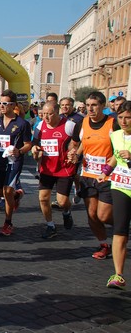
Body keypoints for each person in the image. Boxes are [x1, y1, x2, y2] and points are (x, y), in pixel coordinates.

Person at [68, 91, 118, 259]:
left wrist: (116, 155)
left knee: (103, 215)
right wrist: (74, 153)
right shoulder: (82, 123)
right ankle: (104, 245)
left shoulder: (113, 123)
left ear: (103, 106)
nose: (90, 109)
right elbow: (77, 143)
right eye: (88, 105)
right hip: (88, 175)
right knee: (92, 215)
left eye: (94, 105)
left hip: (108, 176)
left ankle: (123, 225)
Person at [0, 89, 32, 236]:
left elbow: (28, 144)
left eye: (5, 103)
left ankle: (8, 223)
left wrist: (20, 151)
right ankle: (16, 196)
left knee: (6, 192)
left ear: (13, 105)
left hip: (14, 161)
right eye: (0, 103)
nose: (1, 106)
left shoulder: (22, 123)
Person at [97, 100, 131, 288]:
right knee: (120, 230)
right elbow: (115, 157)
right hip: (121, 186)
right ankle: (118, 275)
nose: (124, 121)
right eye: (121, 117)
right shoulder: (116, 135)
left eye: (128, 118)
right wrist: (105, 171)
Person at [31, 102, 76, 239]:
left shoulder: (68, 125)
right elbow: (35, 142)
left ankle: (67, 212)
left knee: (62, 202)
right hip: (47, 168)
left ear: (57, 112)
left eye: (50, 114)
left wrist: (74, 149)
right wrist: (34, 149)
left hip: (64, 168)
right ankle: (50, 226)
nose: (46, 117)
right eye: (44, 114)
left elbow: (79, 141)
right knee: (43, 199)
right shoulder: (40, 126)